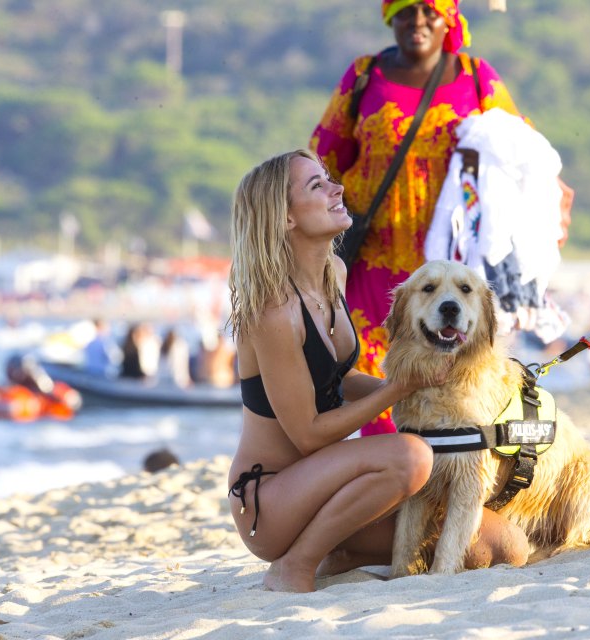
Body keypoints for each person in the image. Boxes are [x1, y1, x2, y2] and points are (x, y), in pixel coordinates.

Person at [227, 149, 530, 592]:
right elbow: (308, 435)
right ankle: (295, 565)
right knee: (411, 456)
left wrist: (427, 389)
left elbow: (338, 378)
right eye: (317, 185)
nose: (338, 189)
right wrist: (399, 389)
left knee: (502, 546)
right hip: (272, 501)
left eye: (330, 178)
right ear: (286, 217)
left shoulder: (333, 270)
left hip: (335, 491)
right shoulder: (274, 311)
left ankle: (342, 551)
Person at [310, 0, 572, 436]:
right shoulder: (363, 76)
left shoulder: (474, 76)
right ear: (390, 17)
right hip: (373, 261)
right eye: (406, 12)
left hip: (450, 265)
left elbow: (519, 150)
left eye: (428, 12)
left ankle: (441, 474)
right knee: (377, 373)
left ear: (448, 17)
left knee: (453, 376)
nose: (417, 22)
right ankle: (389, 480)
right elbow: (325, 158)